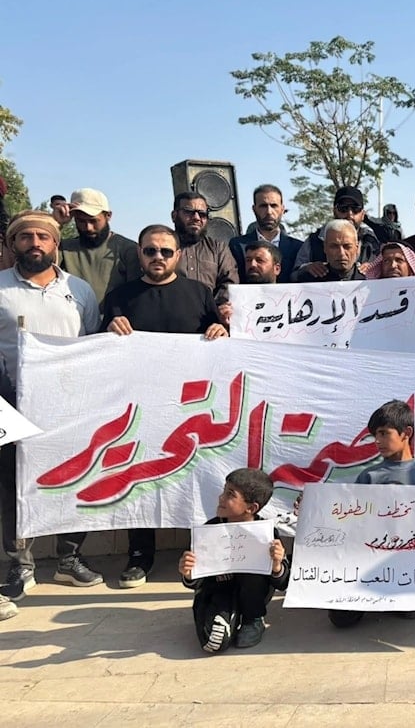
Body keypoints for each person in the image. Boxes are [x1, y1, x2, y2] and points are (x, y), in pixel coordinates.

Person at [103, 224, 228, 588]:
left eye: (165, 251)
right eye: (150, 251)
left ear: (178, 255)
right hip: (139, 408)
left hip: (193, 408)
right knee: (138, 480)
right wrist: (109, 329)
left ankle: (204, 552)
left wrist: (222, 331)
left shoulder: (200, 294)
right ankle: (140, 555)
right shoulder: (120, 297)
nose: (158, 257)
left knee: (200, 477)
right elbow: (95, 348)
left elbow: (224, 342)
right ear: (139, 254)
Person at [0, 211, 103, 601]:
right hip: (11, 403)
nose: (35, 244)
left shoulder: (79, 290)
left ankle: (69, 558)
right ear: (13, 244)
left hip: (69, 403)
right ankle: (20, 564)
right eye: (25, 237)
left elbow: (92, 342)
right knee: (13, 485)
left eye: (43, 237)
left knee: (74, 477)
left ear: (56, 243)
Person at [328, 399, 415, 629]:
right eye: (374, 436)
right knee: (340, 619)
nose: (377, 442)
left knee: (410, 611)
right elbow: (351, 523)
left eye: (383, 434)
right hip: (369, 558)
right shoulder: (368, 477)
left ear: (406, 433)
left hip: (409, 561)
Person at [178, 468, 289, 652]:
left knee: (253, 575)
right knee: (213, 642)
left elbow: (283, 582)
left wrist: (276, 565)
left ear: (251, 508)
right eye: (224, 491)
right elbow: (195, 583)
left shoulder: (266, 534)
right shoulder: (209, 531)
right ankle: (224, 616)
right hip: (219, 593)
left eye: (230, 494)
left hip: (253, 595)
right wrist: (188, 573)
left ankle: (253, 620)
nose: (221, 498)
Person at [60, 188, 142, 312]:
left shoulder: (128, 250)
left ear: (108, 216)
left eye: (94, 221)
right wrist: (56, 223)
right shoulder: (64, 249)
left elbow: (137, 297)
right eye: (81, 221)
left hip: (114, 325)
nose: (88, 228)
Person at [170, 191, 240, 307]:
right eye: (189, 212)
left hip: (210, 319)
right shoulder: (163, 248)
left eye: (202, 214)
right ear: (174, 216)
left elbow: (229, 284)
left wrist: (213, 310)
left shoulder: (218, 249)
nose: (196, 218)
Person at [229, 184, 302, 284]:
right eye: (263, 206)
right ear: (254, 210)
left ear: (282, 209)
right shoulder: (236, 246)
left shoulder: (298, 248)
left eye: (274, 205)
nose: (269, 212)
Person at [291, 220, 365, 283]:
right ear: (325, 248)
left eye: (347, 246)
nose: (341, 253)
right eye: (334, 247)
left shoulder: (370, 279)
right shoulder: (309, 279)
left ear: (356, 248)